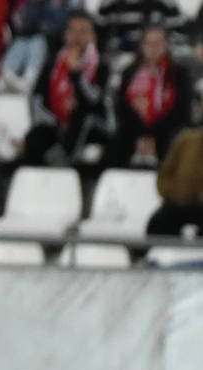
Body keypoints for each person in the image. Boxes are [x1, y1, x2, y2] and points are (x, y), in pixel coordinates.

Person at [22, 11, 111, 166]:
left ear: (92, 36)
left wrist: (76, 73)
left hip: (91, 125)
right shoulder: (52, 63)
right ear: (65, 34)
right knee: (34, 137)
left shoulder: (101, 66)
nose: (77, 36)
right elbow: (37, 100)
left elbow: (93, 102)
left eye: (83, 31)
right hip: (57, 123)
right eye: (72, 30)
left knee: (82, 118)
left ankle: (64, 166)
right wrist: (57, 122)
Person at [111, 25, 192, 167]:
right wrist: (141, 135)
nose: (153, 48)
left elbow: (182, 111)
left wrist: (153, 136)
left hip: (167, 132)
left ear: (166, 45)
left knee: (177, 141)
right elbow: (122, 109)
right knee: (116, 142)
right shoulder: (129, 73)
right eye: (149, 43)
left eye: (158, 43)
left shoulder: (179, 74)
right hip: (134, 132)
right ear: (142, 46)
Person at [0, 0, 83, 94]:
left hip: (53, 41)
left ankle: (29, 80)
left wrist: (55, 8)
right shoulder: (40, 3)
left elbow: (62, 25)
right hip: (33, 37)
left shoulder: (69, 5)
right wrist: (34, 4)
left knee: (38, 41)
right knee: (21, 41)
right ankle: (5, 75)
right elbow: (27, 22)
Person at [145, 125, 203, 235]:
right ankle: (142, 251)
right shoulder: (186, 141)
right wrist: (175, 194)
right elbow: (164, 175)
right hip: (177, 205)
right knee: (158, 223)